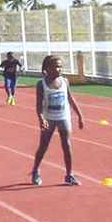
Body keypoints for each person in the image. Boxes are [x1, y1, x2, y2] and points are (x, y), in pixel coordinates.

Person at [30, 54, 86, 186]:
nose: (59, 69)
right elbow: (38, 105)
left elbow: (70, 98)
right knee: (43, 146)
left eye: (61, 67)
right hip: (49, 118)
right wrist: (41, 118)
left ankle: (69, 175)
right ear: (47, 68)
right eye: (56, 67)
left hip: (63, 117)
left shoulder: (64, 81)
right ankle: (36, 169)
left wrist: (79, 115)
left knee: (67, 145)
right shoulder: (41, 84)